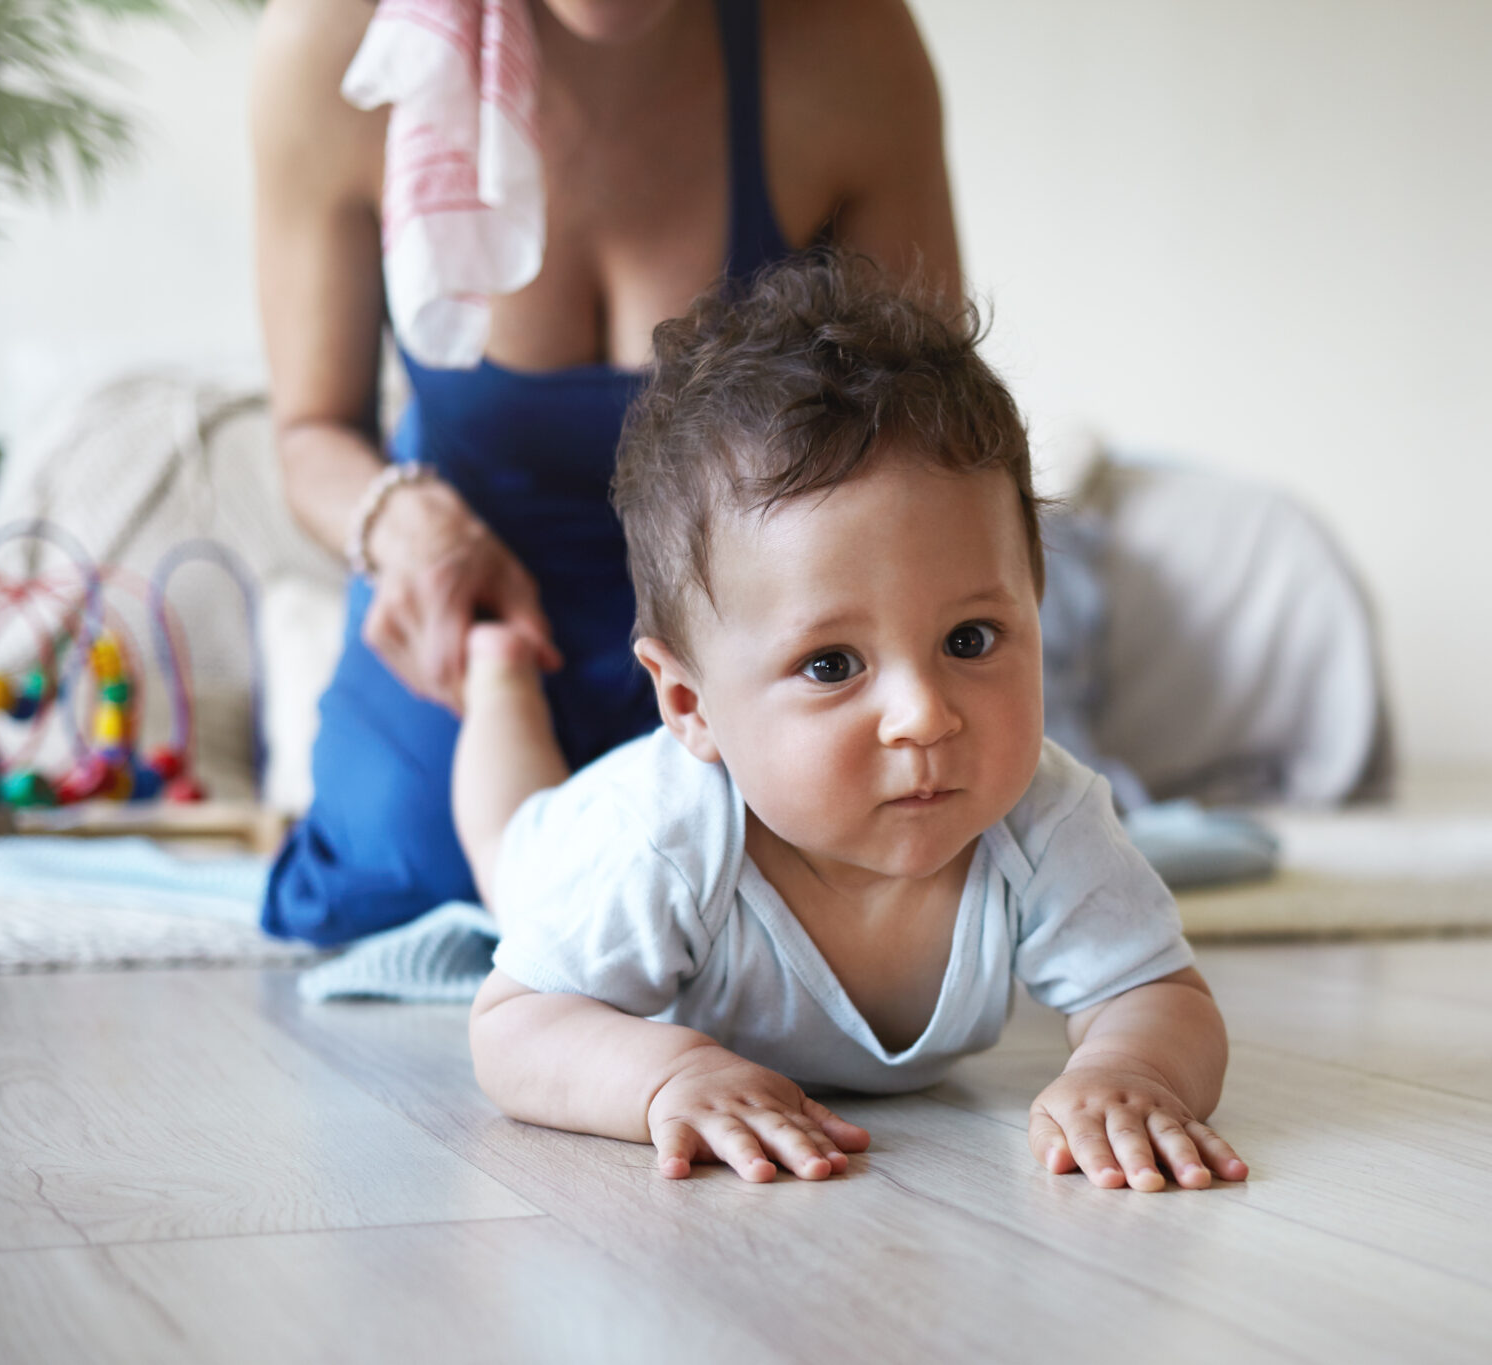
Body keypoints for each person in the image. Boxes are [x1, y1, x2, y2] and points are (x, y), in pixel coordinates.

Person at [454, 256, 1249, 1190]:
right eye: (832, 664)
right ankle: (498, 673)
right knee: (511, 850)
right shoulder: (657, 842)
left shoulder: (1045, 817)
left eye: (970, 636)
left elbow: (1157, 992)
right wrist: (667, 1070)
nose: (922, 714)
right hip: (580, 844)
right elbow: (513, 1027)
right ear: (688, 704)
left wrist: (1130, 1069)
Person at [251, 0, 960, 944]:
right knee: (408, 870)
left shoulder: (844, 41)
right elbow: (311, 432)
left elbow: (931, 437)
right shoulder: (334, 47)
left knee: (787, 895)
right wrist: (403, 523)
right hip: (474, 611)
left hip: (752, 623)